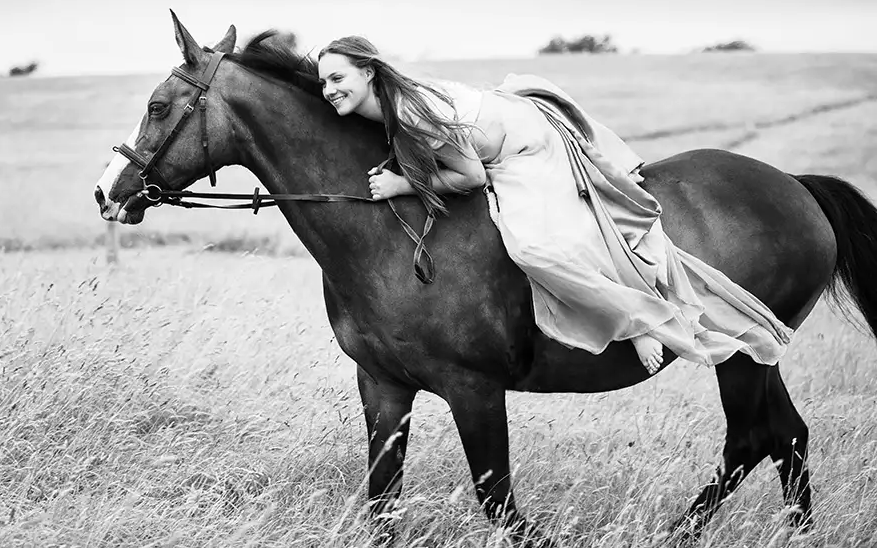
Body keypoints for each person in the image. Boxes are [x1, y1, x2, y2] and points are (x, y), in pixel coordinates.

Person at [317, 35, 792, 374]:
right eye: (323, 83)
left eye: (338, 77)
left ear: (368, 72)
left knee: (535, 249)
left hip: (524, 147)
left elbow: (471, 175)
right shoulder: (380, 104)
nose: (330, 89)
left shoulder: (410, 110)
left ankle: (642, 320)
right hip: (502, 129)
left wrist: (404, 187)